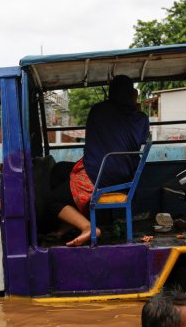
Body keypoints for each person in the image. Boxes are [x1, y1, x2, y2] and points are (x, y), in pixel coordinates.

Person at [53, 75, 150, 246]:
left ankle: (87, 227)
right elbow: (141, 139)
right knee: (59, 170)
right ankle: (69, 223)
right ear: (131, 93)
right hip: (124, 174)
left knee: (52, 201)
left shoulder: (98, 110)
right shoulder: (141, 118)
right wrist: (134, 106)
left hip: (98, 176)